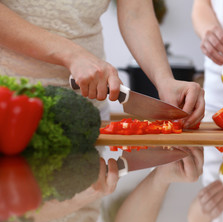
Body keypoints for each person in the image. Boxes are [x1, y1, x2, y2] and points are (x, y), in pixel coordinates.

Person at [0, 0, 204, 128]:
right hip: (9, 107)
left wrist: (164, 80)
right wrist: (71, 53)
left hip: (90, 113)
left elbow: (136, 12)